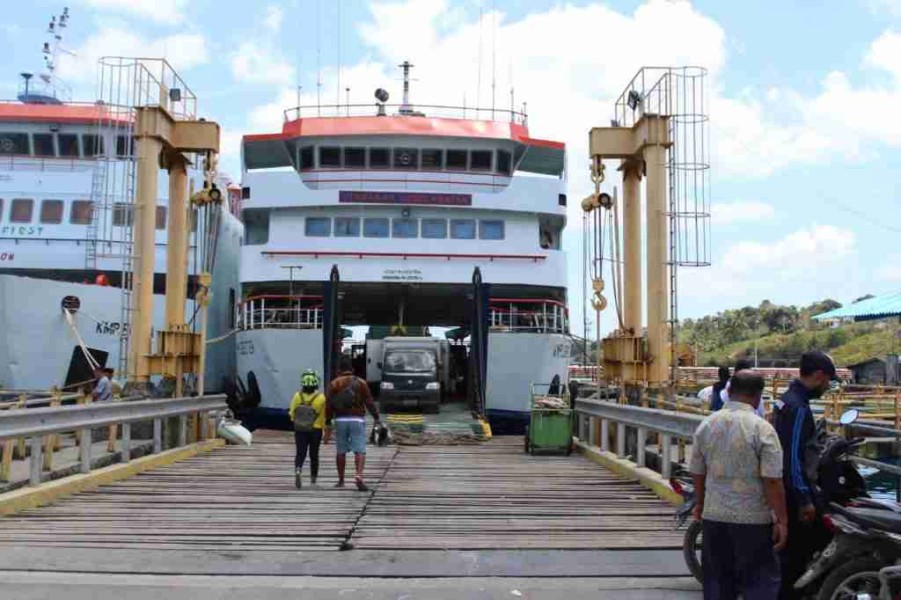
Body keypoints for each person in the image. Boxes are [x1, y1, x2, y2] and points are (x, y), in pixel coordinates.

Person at [689, 370, 788, 600]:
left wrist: (700, 505)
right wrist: (782, 520)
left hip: (715, 517)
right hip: (753, 519)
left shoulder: (707, 425)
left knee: (718, 583)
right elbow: (772, 480)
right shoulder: (762, 429)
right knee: (758, 582)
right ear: (758, 396)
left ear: (729, 393)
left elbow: (697, 471)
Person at [773, 351, 838, 599]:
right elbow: (792, 458)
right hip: (793, 492)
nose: (827, 386)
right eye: (827, 380)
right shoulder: (799, 408)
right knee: (795, 558)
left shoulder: (786, 399)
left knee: (790, 557)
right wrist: (804, 499)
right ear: (819, 375)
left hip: (782, 487)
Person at [325, 356, 380, 491]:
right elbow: (369, 402)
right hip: (357, 419)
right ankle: (359, 475)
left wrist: (328, 420)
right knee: (360, 449)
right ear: (352, 369)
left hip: (341, 419)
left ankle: (341, 480)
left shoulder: (334, 384)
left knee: (341, 451)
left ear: (339, 370)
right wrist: (376, 417)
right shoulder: (361, 382)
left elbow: (329, 405)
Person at [288, 369, 327, 489]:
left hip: (300, 429)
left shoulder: (297, 396)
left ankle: (298, 469)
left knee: (300, 452)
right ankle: (313, 480)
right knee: (314, 455)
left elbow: (291, 413)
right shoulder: (321, 398)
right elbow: (324, 415)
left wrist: (298, 421)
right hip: (316, 430)